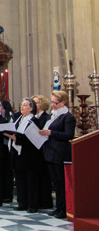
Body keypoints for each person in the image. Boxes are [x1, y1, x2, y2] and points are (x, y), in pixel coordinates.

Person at [39, 91, 76, 219]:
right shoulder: (52, 115)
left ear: (63, 102)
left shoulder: (68, 117)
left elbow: (68, 135)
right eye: (52, 102)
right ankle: (58, 207)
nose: (52, 105)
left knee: (61, 183)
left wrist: (51, 132)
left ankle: (63, 208)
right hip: (50, 152)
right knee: (55, 182)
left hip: (60, 153)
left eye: (55, 103)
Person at [5, 98, 43, 213]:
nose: (22, 107)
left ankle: (32, 204)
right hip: (18, 154)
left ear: (31, 108)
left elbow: (32, 138)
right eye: (21, 105)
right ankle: (22, 203)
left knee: (31, 181)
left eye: (25, 105)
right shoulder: (19, 119)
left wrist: (16, 138)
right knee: (20, 179)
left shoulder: (34, 121)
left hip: (30, 155)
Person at [32, 94, 54, 210]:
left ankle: (46, 201)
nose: (34, 105)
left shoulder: (46, 117)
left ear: (42, 104)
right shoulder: (31, 117)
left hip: (43, 149)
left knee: (45, 177)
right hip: (34, 150)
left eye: (36, 103)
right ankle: (38, 200)